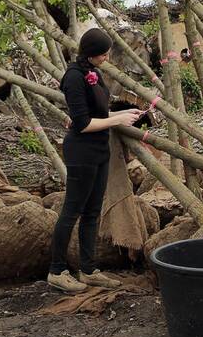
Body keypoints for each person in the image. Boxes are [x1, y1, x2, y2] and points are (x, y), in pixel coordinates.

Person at [47, 27, 140, 293]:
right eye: (105, 53)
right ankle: (57, 270)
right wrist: (117, 120)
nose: (108, 57)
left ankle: (88, 269)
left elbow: (100, 109)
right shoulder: (74, 78)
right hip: (81, 152)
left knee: (92, 211)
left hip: (100, 152)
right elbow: (82, 123)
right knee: (71, 210)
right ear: (92, 53)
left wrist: (125, 112)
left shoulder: (93, 74)